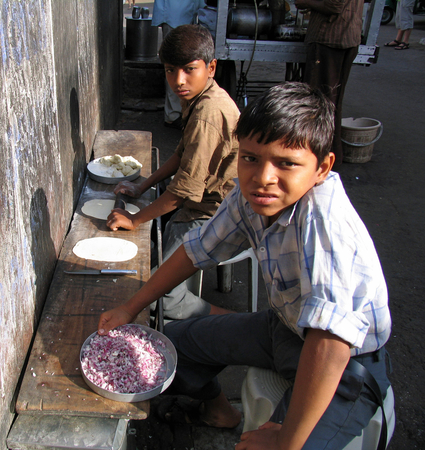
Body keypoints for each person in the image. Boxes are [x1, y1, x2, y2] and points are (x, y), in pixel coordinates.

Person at [99, 82, 392, 449]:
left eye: (286, 163)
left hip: (346, 365)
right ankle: (220, 411)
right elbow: (195, 251)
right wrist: (130, 307)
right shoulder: (248, 196)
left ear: (322, 167)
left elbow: (330, 346)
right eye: (250, 158)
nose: (263, 177)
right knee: (173, 346)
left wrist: (286, 440)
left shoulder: (325, 224)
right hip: (285, 329)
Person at [107, 24, 239, 320]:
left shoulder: (208, 114)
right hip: (199, 196)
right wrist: (142, 186)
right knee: (151, 229)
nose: (178, 80)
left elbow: (183, 192)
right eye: (170, 70)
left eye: (189, 70)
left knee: (157, 295)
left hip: (211, 211)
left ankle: (232, 322)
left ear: (211, 67)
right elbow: (180, 155)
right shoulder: (199, 97)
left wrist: (134, 219)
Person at [296, 0, 364, 169]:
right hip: (344, 35)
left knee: (318, 102)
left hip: (331, 38)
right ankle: (329, 155)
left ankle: (318, 157)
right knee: (331, 101)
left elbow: (335, 5)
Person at [152, 0, 207, 128]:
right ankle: (173, 114)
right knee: (176, 65)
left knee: (182, 65)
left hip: (185, 12)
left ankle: (179, 112)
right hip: (176, 14)